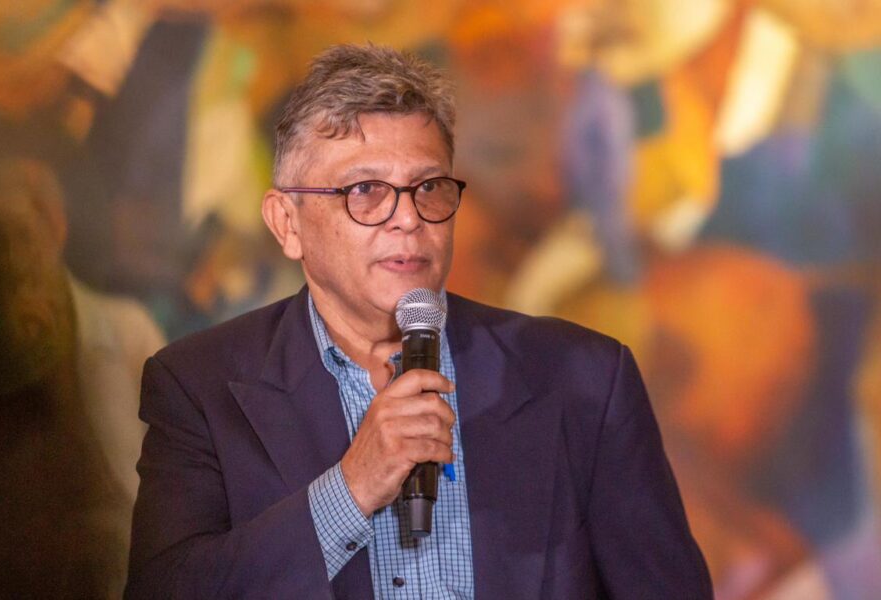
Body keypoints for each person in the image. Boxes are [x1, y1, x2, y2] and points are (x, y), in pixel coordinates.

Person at [126, 44, 712, 599]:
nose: (408, 218)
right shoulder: (199, 386)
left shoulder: (585, 377)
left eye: (428, 188)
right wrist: (351, 490)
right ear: (287, 223)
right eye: (366, 190)